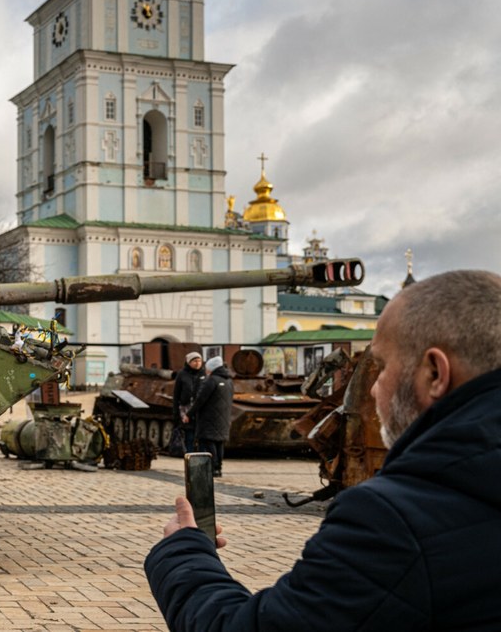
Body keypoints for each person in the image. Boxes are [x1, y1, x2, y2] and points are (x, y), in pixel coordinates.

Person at [143, 270, 501, 630]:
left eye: (380, 367)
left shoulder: (394, 520)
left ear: (435, 374)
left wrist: (184, 553)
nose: (373, 389)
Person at [187, 355, 232, 477]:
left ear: (212, 368)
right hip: (223, 418)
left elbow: (200, 400)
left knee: (209, 442)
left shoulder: (211, 380)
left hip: (209, 417)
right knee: (219, 443)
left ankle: (213, 468)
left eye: (207, 368)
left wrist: (189, 414)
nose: (206, 370)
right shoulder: (228, 381)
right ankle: (218, 468)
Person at [172, 351, 204, 453]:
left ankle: (202, 457)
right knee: (189, 436)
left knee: (201, 437)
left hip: (201, 410)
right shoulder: (182, 374)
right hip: (186, 409)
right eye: (195, 361)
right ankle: (189, 456)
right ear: (189, 362)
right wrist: (176, 413)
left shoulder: (204, 374)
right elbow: (176, 394)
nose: (197, 363)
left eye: (199, 361)